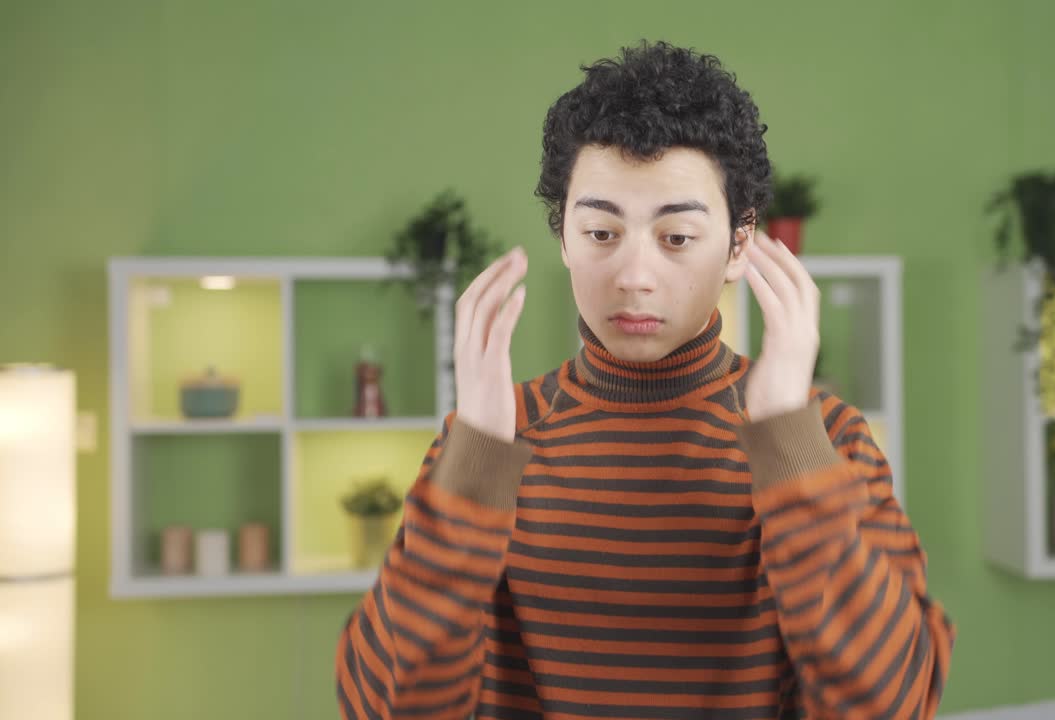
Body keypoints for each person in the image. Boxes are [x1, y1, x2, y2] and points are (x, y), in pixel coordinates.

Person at [336, 40, 954, 719]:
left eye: (676, 237)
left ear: (739, 244)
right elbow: (385, 706)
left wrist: (785, 436)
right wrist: (477, 458)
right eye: (602, 233)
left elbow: (893, 702)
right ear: (563, 238)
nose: (634, 276)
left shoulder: (826, 440)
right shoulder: (491, 441)